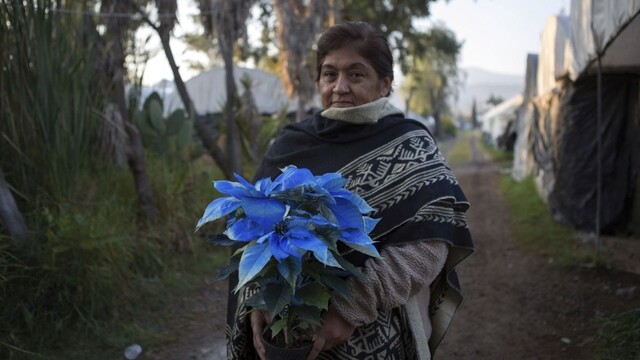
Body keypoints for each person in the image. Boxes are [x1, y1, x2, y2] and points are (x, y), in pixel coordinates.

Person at [225, 21, 474, 360]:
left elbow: (429, 245)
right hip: (284, 335)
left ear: (384, 84)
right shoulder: (291, 144)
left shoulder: (410, 144)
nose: (340, 87)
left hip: (372, 336)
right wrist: (259, 299)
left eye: (356, 75)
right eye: (329, 74)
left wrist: (350, 307)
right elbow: (252, 233)